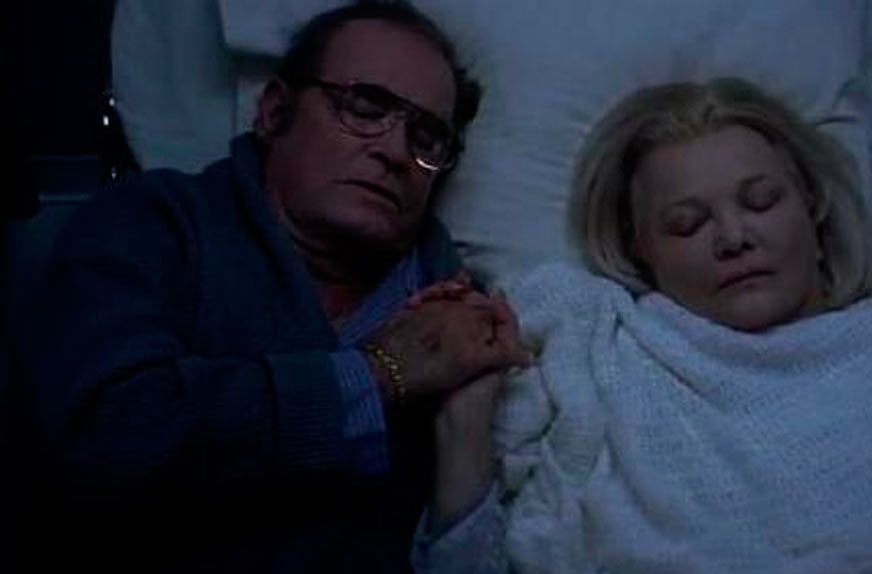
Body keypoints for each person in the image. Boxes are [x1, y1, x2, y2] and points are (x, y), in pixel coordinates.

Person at [412, 79, 872, 572]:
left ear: (812, 206)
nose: (733, 238)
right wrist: (464, 431)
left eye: (761, 202)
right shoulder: (595, 369)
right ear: (640, 249)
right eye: (687, 224)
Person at [8, 2, 529, 572]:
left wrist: (464, 426)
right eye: (365, 106)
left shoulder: (456, 317)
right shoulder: (152, 227)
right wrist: (378, 375)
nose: (396, 152)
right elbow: (97, 437)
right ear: (276, 112)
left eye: (427, 138)